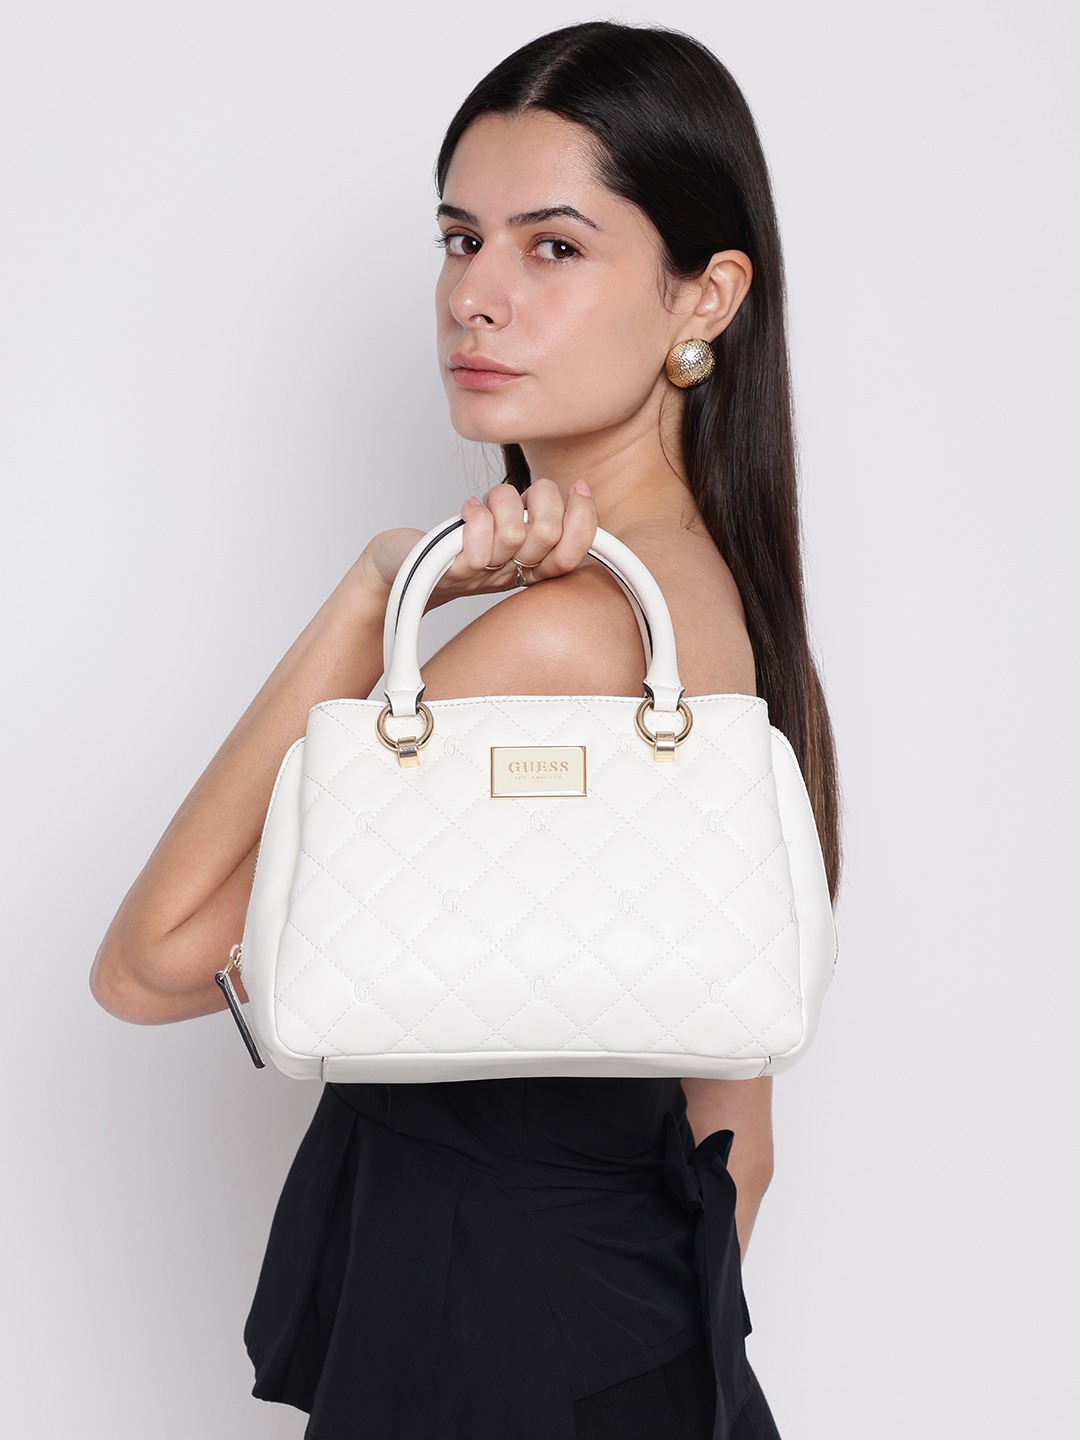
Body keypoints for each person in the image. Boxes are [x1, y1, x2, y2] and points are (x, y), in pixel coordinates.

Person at [91, 19, 842, 1440]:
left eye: (554, 247)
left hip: (486, 1345)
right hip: (611, 1344)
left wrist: (371, 590)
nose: (475, 299)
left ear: (706, 296)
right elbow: (736, 1140)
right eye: (459, 239)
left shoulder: (567, 639)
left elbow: (152, 960)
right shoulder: (702, 596)